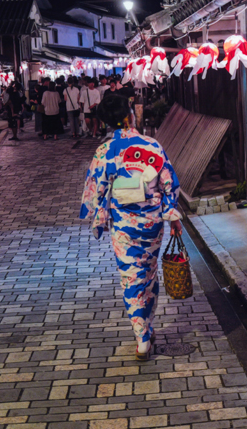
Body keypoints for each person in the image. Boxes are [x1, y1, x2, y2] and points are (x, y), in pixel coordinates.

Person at [79, 94, 182, 360]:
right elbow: (169, 182)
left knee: (131, 278)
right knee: (149, 273)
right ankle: (147, 326)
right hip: (152, 222)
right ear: (129, 115)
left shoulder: (105, 151)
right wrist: (172, 214)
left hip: (124, 224)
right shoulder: (151, 145)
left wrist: (96, 212)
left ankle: (142, 337)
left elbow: (96, 188)